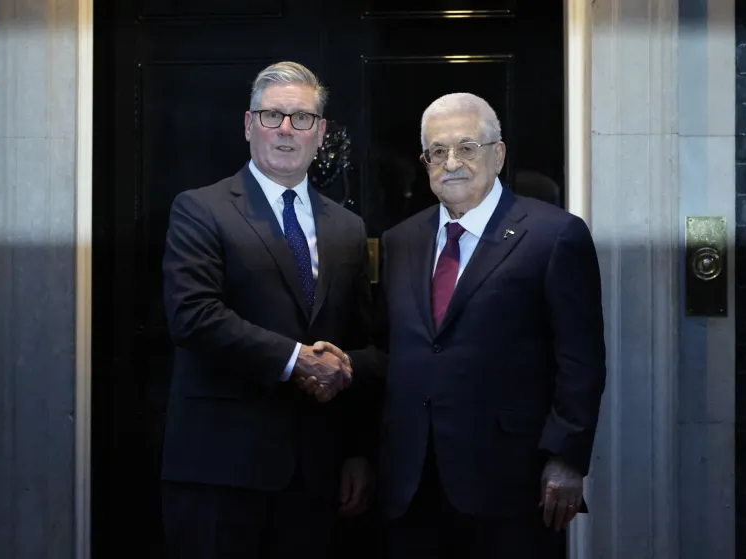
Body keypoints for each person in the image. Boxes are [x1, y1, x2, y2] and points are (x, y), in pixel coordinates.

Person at [368, 92, 607, 558]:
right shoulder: (401, 240)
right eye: (438, 151)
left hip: (511, 482)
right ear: (425, 161)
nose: (451, 161)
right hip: (411, 481)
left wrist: (566, 458)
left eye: (466, 147)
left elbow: (581, 359)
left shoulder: (555, 235)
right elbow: (388, 349)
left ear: (497, 154)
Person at [159, 61, 377, 559]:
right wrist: (299, 359)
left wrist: (358, 451)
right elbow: (193, 316)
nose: (285, 129)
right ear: (248, 124)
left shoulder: (346, 227)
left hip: (315, 472)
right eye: (272, 115)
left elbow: (360, 341)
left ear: (319, 133)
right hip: (219, 468)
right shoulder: (200, 208)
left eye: (301, 118)